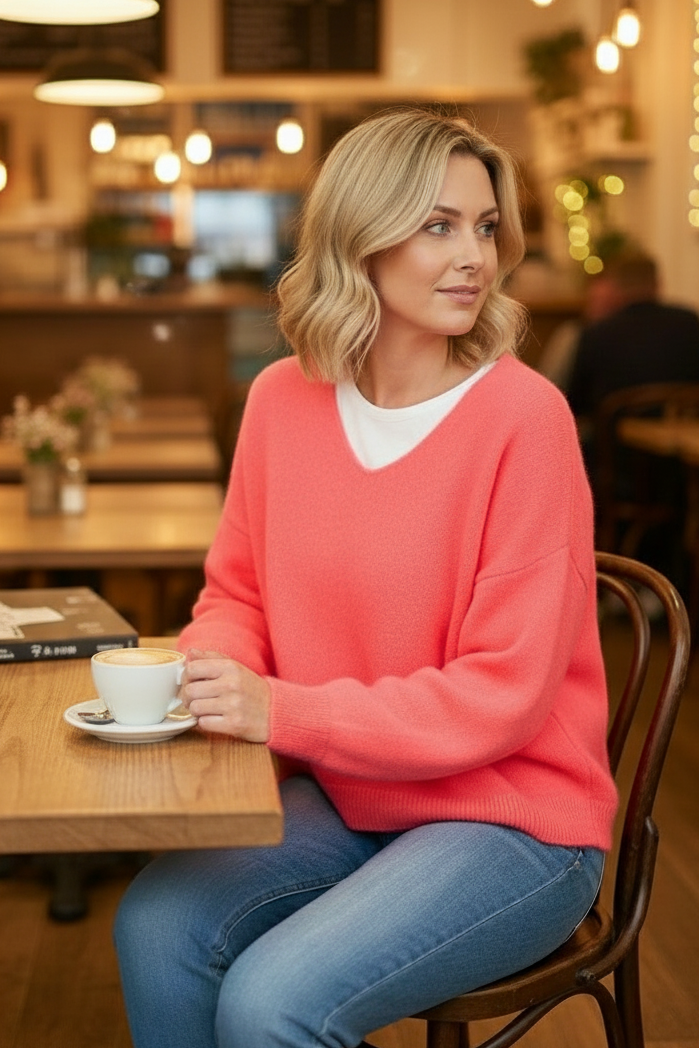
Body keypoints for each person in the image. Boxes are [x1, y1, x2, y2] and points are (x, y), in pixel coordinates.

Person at [113, 108, 616, 1048]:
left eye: (483, 225)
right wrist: (213, 674)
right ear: (359, 236)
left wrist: (281, 713)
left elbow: (501, 695)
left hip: (513, 819)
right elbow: (236, 596)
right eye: (437, 224)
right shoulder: (280, 400)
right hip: (350, 794)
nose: (473, 253)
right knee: (153, 929)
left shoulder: (524, 419)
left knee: (272, 1002)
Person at [566, 252, 699, 416]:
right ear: (658, 283)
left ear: (617, 289)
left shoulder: (598, 333)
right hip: (683, 427)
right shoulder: (690, 322)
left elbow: (576, 399)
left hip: (612, 436)